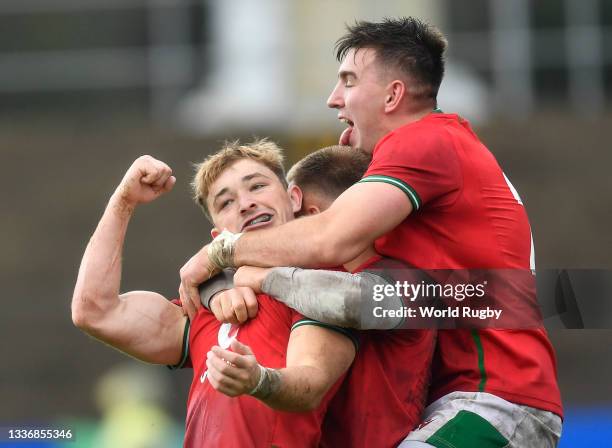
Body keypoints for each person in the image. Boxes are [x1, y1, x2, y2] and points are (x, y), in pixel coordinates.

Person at [178, 18, 563, 447]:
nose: (333, 98)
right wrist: (220, 283)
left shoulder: (422, 141)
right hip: (470, 401)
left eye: (348, 81)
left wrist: (223, 254)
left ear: (393, 94)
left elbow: (330, 239)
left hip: (493, 401)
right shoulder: (435, 147)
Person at [71, 140, 357, 447]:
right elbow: (94, 311)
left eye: (257, 186)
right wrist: (123, 201)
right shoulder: (203, 307)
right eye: (226, 203)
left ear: (294, 197)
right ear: (218, 237)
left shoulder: (319, 284)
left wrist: (259, 380)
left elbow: (311, 384)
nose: (246, 203)